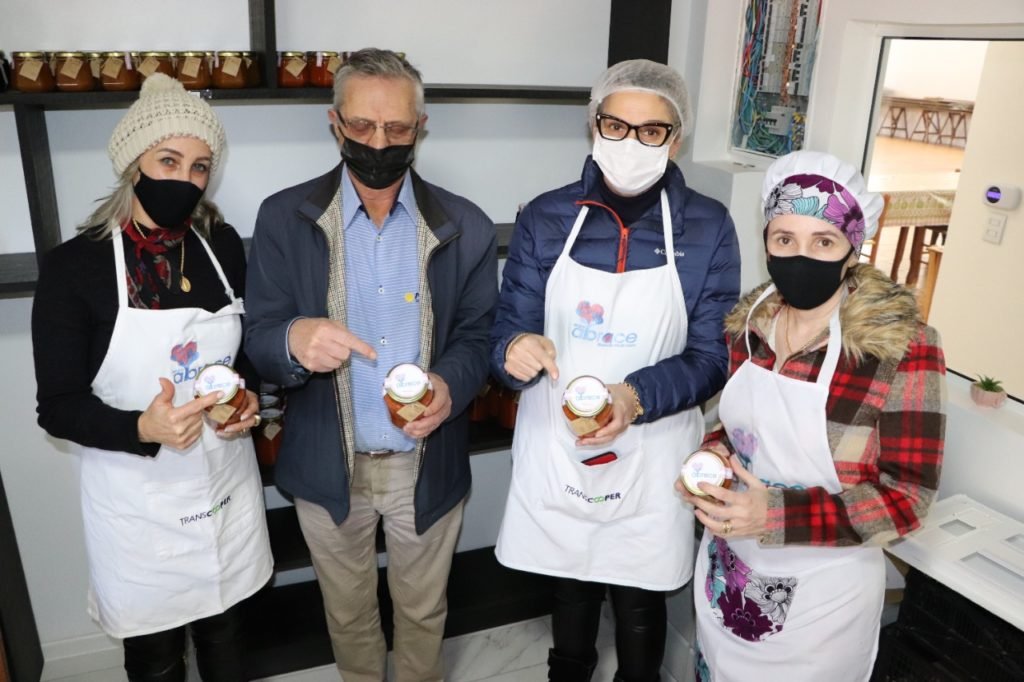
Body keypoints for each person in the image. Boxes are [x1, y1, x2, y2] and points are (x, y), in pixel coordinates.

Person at [244, 48, 497, 682]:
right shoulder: (284, 217)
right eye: (361, 125)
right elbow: (259, 336)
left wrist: (449, 385)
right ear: (335, 123)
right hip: (327, 460)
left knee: (423, 611)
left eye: (396, 128)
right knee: (348, 614)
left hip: (425, 460)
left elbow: (478, 335)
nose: (378, 142)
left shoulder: (464, 224)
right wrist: (294, 338)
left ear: (421, 127)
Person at [491, 59, 741, 682]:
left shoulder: (708, 226)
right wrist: (513, 351)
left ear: (675, 139)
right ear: (594, 126)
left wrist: (632, 396)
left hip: (653, 443)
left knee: (639, 594)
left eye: (651, 130)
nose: (631, 143)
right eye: (616, 126)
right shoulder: (546, 217)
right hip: (559, 439)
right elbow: (507, 331)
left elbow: (713, 358)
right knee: (569, 582)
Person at [32, 74, 272, 682]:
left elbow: (238, 356)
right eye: (168, 160)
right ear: (132, 163)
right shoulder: (75, 267)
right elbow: (57, 406)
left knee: (228, 640)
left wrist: (245, 400)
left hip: (223, 487)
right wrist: (143, 425)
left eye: (199, 166)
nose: (185, 180)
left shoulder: (222, 246)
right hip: (137, 505)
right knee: (156, 658)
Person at [682, 150, 946, 681]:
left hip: (822, 608)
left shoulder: (900, 348)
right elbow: (739, 430)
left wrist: (774, 515)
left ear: (853, 248)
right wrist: (709, 463)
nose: (800, 256)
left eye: (823, 241)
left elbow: (906, 500)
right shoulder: (751, 326)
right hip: (729, 572)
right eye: (785, 239)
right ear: (766, 242)